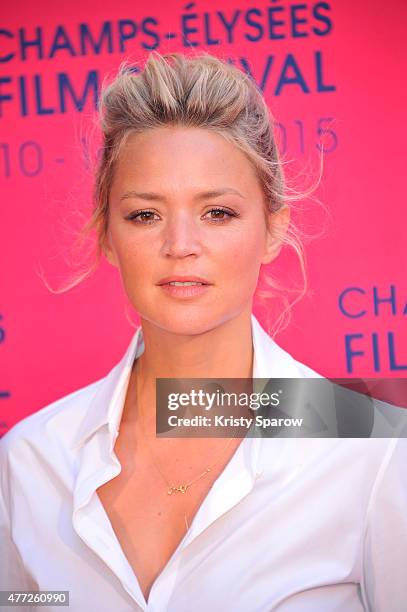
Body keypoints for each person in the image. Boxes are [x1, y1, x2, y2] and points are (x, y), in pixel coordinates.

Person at [1, 51, 406, 612]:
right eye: (146, 214)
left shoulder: (371, 446)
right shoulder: (28, 463)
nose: (180, 245)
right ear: (107, 236)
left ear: (272, 229)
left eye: (217, 212)